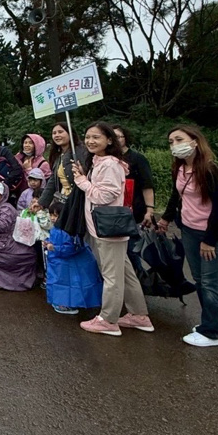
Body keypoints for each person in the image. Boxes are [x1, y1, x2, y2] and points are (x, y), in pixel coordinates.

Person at [72, 121, 153, 336]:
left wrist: (82, 181)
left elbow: (104, 195)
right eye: (88, 137)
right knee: (124, 272)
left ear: (109, 140)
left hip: (108, 229)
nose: (90, 141)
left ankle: (108, 320)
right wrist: (85, 174)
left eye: (96, 137)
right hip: (104, 228)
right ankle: (138, 315)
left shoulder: (109, 164)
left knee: (112, 276)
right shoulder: (101, 161)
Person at [158, 125, 218, 347]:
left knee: (211, 281)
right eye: (171, 142)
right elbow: (176, 196)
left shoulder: (211, 170)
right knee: (200, 279)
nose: (175, 145)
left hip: (210, 234)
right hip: (188, 230)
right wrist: (166, 219)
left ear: (195, 141)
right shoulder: (180, 169)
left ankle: (212, 333)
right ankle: (212, 322)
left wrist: (209, 240)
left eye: (179, 139)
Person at [44, 201, 103, 316]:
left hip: (64, 262)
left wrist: (54, 247)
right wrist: (48, 243)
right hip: (61, 261)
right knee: (69, 283)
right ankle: (64, 302)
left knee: (66, 282)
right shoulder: (62, 227)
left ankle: (65, 303)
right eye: (51, 215)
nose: (52, 218)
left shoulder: (67, 229)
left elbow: (71, 248)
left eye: (55, 215)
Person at [111, 125, 155, 226]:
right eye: (112, 137)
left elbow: (147, 185)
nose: (115, 140)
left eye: (118, 137)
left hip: (134, 209)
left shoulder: (138, 158)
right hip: (112, 210)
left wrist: (149, 210)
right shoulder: (105, 159)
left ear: (125, 138)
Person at [39, 122, 86, 210]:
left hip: (80, 199)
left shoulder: (80, 151)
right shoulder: (58, 155)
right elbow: (53, 181)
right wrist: (41, 203)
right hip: (63, 199)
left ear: (70, 133)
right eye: (54, 133)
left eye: (60, 132)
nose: (57, 135)